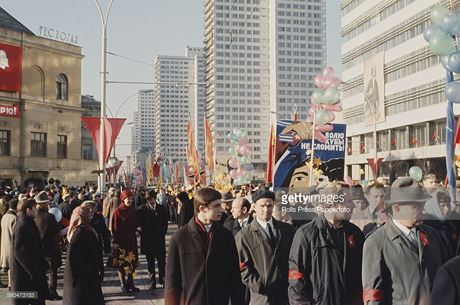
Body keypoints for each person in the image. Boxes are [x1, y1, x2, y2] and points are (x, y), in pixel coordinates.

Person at [362, 177, 449, 305]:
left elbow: (445, 277)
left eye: (423, 205)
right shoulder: (376, 243)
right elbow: (373, 296)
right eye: (417, 207)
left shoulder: (432, 235)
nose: (423, 211)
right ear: (397, 208)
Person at [288, 182, 364, 305]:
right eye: (349, 201)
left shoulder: (355, 234)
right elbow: (296, 278)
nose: (353, 206)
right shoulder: (306, 234)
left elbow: (363, 275)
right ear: (333, 203)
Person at [165, 187, 244, 305]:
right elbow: (172, 283)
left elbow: (234, 277)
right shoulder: (180, 238)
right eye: (217, 206)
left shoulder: (226, 236)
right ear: (202, 208)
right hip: (192, 300)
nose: (221, 210)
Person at [235, 189, 295, 305]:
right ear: (254, 207)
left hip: (286, 295)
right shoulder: (244, 236)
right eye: (262, 206)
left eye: (269, 205)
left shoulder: (287, 230)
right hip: (263, 298)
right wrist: (260, 286)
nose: (266, 210)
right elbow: (243, 268)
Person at [63, 205, 104, 305]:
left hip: (85, 276)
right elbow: (74, 258)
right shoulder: (81, 232)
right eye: (88, 212)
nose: (90, 215)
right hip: (82, 278)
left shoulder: (83, 230)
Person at [11, 198, 48, 305]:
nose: (37, 211)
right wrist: (34, 272)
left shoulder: (27, 223)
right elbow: (20, 252)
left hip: (30, 276)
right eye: (34, 208)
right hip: (25, 276)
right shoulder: (22, 225)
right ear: (28, 210)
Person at [34, 191, 62, 301]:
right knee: (52, 272)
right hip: (50, 248)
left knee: (41, 272)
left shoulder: (33, 216)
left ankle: (43, 292)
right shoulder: (49, 217)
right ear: (44, 204)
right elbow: (56, 230)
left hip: (37, 248)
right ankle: (52, 292)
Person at [137, 190, 168, 290]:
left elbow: (165, 221)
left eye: (151, 199)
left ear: (155, 198)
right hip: (148, 240)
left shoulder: (161, 208)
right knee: (150, 262)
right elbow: (138, 224)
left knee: (161, 261)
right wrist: (142, 232)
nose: (150, 201)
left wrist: (163, 231)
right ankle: (152, 281)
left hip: (159, 239)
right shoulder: (142, 209)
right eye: (148, 199)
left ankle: (162, 280)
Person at [111, 189, 139, 292]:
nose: (130, 201)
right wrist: (116, 243)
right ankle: (123, 284)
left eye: (131, 199)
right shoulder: (118, 211)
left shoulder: (133, 210)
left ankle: (131, 283)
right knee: (121, 263)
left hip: (131, 241)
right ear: (123, 199)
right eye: (128, 199)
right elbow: (114, 228)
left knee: (132, 262)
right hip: (121, 241)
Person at [423, 190, 458, 258]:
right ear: (434, 206)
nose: (447, 209)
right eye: (442, 206)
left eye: (448, 205)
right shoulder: (426, 229)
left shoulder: (451, 225)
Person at [1, 197, 18, 290]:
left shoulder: (4, 216)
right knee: (13, 266)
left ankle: (10, 283)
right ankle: (11, 284)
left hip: (4, 244)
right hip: (11, 244)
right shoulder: (14, 218)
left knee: (9, 266)